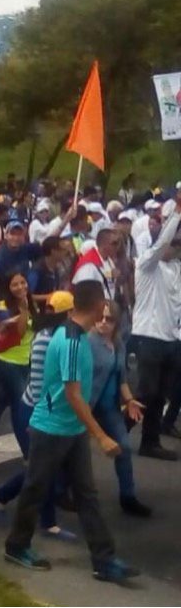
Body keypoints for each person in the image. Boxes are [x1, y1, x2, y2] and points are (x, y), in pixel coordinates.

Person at [4, 280, 140, 583]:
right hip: (52, 428)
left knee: (86, 494)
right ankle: (16, 545)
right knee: (36, 488)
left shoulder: (77, 335)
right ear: (96, 305)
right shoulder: (71, 341)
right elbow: (73, 394)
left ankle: (103, 559)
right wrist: (102, 435)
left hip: (70, 427)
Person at [129, 194, 181, 460]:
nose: (176, 247)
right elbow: (162, 243)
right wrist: (177, 213)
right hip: (148, 337)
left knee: (161, 395)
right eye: (174, 243)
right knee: (146, 392)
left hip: (171, 340)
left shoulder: (176, 269)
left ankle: (150, 442)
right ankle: (115, 431)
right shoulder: (147, 263)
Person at [88, 302, 151, 517]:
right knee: (70, 451)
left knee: (123, 446)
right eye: (100, 317)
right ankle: (58, 490)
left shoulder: (119, 344)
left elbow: (121, 378)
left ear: (117, 323)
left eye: (109, 319)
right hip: (86, 405)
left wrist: (130, 400)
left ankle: (128, 496)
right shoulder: (88, 342)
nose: (103, 323)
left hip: (109, 407)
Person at [0, 270, 36, 446]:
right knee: (21, 404)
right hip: (6, 362)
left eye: (23, 283)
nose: (21, 287)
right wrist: (23, 311)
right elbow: (18, 331)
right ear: (8, 287)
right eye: (15, 284)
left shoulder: (30, 302)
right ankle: (27, 450)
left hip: (24, 362)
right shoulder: (4, 305)